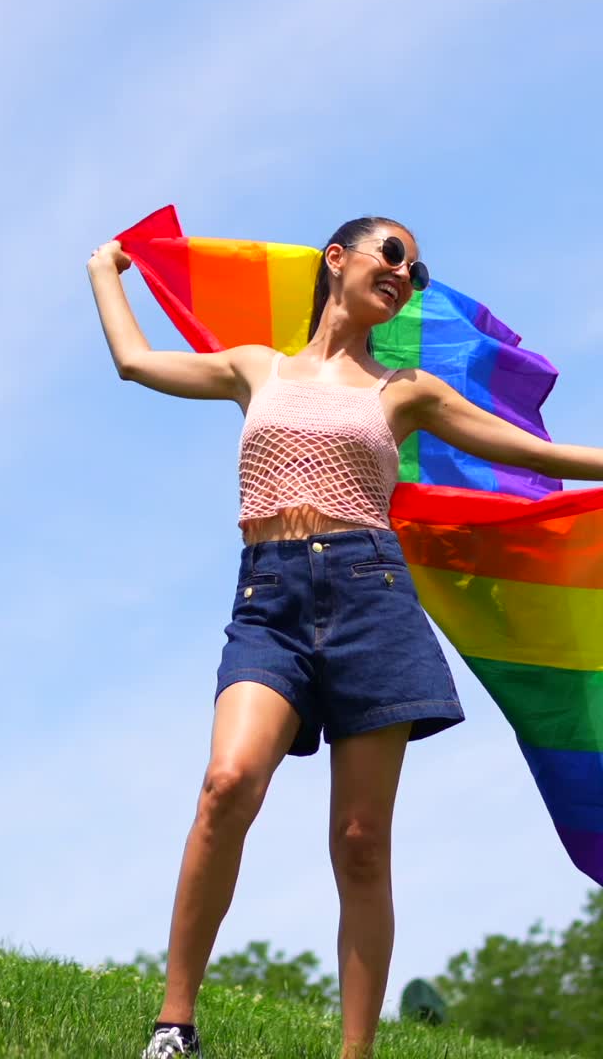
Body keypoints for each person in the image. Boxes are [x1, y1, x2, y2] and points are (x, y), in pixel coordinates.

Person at [87, 216, 602, 1059]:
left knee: (361, 844)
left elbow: (526, 451)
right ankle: (174, 1027)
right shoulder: (258, 368)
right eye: (392, 254)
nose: (405, 272)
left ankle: (353, 1053)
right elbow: (136, 362)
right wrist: (107, 269)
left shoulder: (404, 392)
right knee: (226, 785)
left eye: (416, 267)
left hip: (372, 599)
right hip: (269, 600)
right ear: (339, 260)